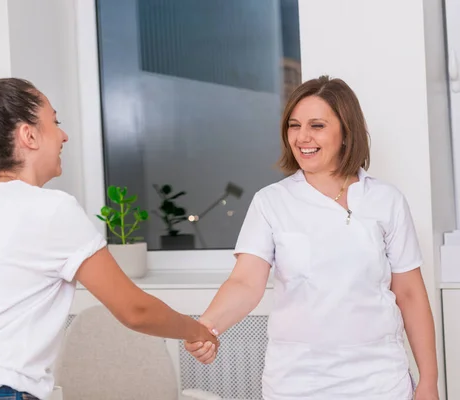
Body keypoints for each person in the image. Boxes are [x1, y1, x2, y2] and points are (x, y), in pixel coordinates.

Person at [0, 78, 218, 400]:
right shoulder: (50, 209)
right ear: (28, 135)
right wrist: (196, 331)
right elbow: (135, 310)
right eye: (54, 122)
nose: (63, 135)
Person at [185, 76, 439, 400]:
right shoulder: (271, 202)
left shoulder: (386, 200)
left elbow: (410, 295)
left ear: (346, 132)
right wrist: (207, 325)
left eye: (317, 125)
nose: (302, 137)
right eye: (294, 125)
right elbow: (245, 283)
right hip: (299, 381)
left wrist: (428, 382)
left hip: (380, 379)